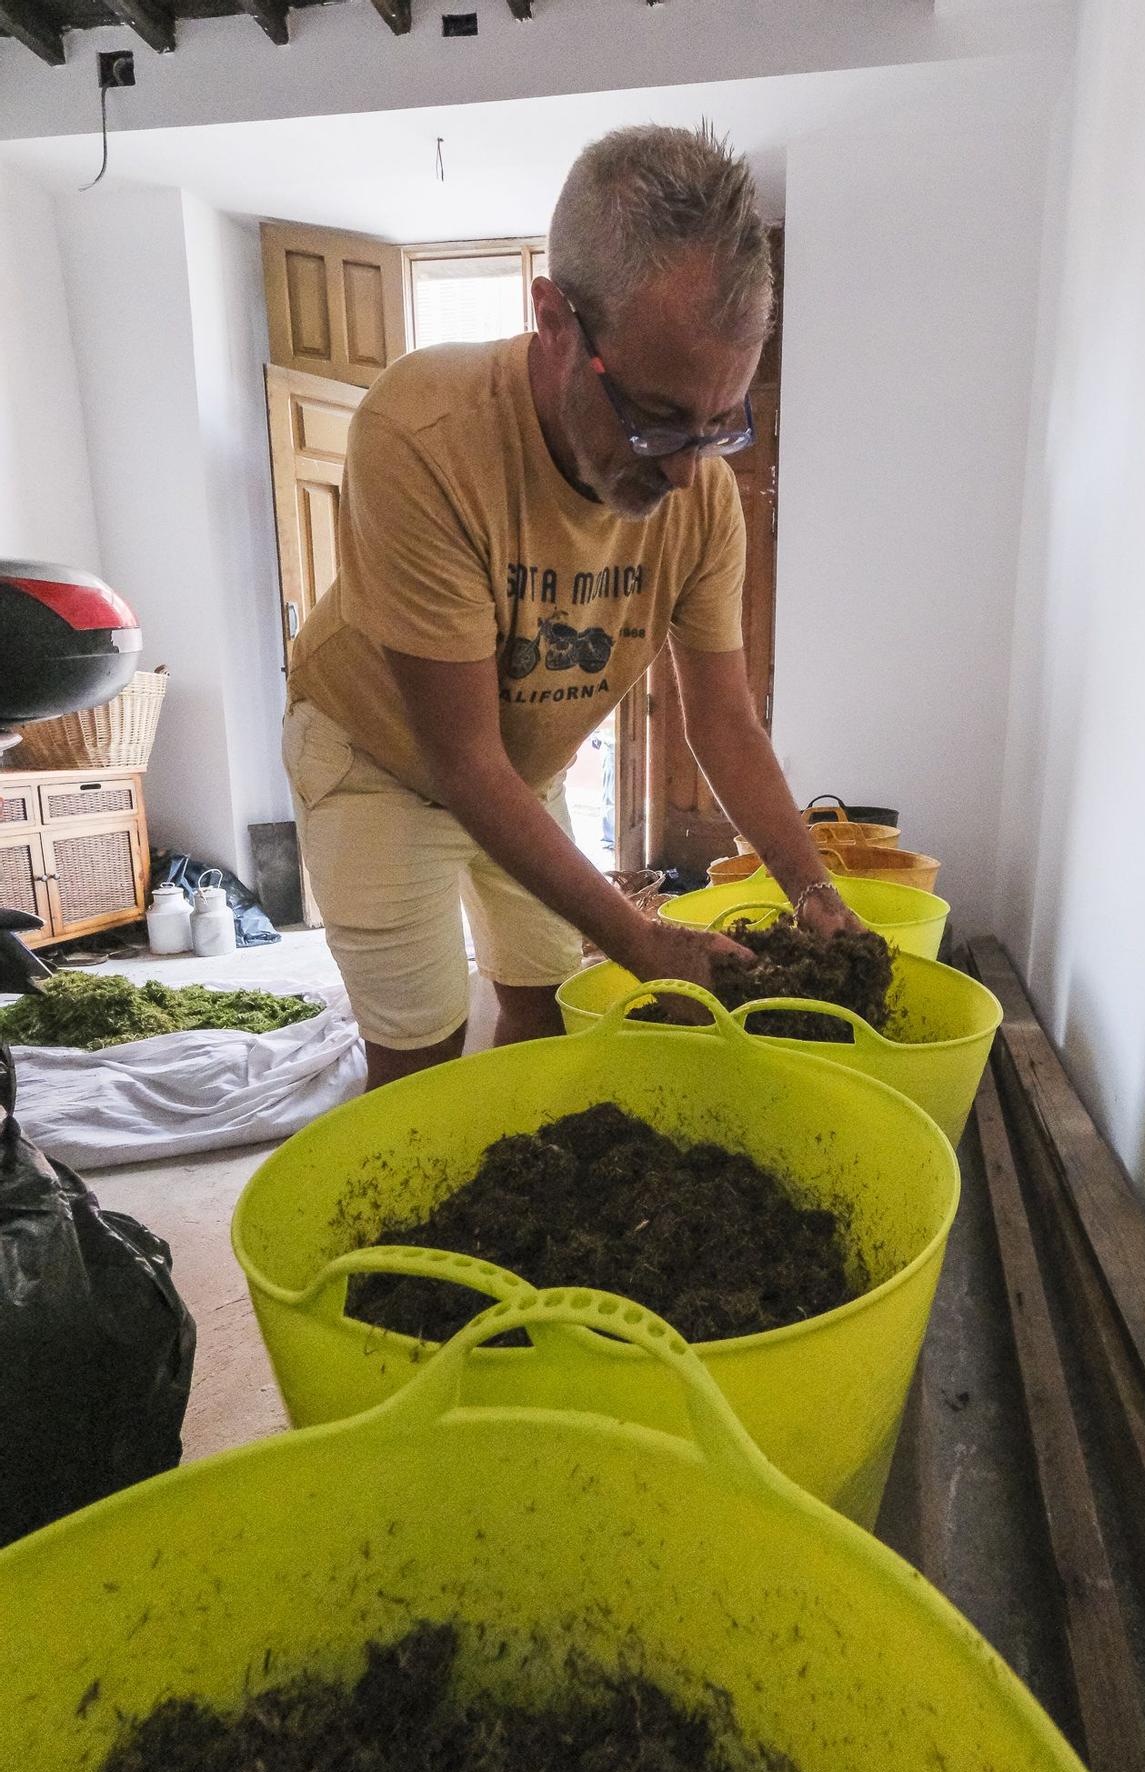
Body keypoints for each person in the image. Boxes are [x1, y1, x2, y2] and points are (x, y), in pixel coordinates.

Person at [283, 123, 861, 1091]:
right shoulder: (420, 433)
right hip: (379, 758)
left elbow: (721, 720)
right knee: (422, 1050)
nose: (683, 470)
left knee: (547, 1002)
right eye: (656, 416)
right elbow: (459, 761)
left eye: (719, 423)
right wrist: (637, 936)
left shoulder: (700, 496)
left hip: (520, 762)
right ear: (553, 319)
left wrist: (811, 887)